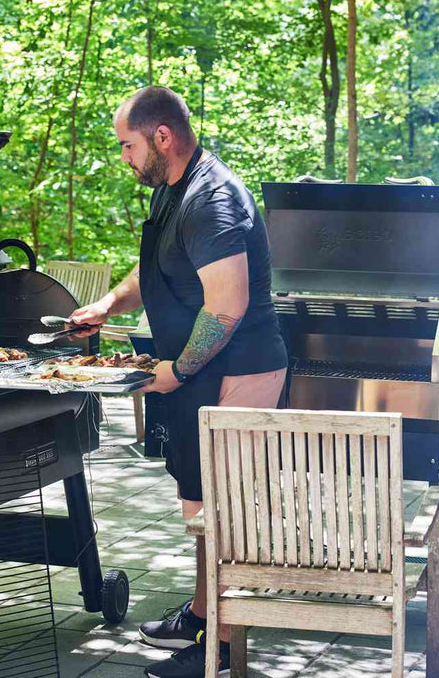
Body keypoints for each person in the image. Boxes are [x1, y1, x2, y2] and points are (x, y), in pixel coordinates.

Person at [70, 86, 288, 678]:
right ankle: (200, 613)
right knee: (200, 506)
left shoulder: (212, 200)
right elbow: (156, 268)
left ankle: (221, 648)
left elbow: (227, 307)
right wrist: (107, 305)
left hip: (236, 371)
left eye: (128, 145)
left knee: (224, 510)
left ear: (161, 136)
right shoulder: (173, 188)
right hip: (201, 372)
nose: (124, 157)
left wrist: (176, 371)